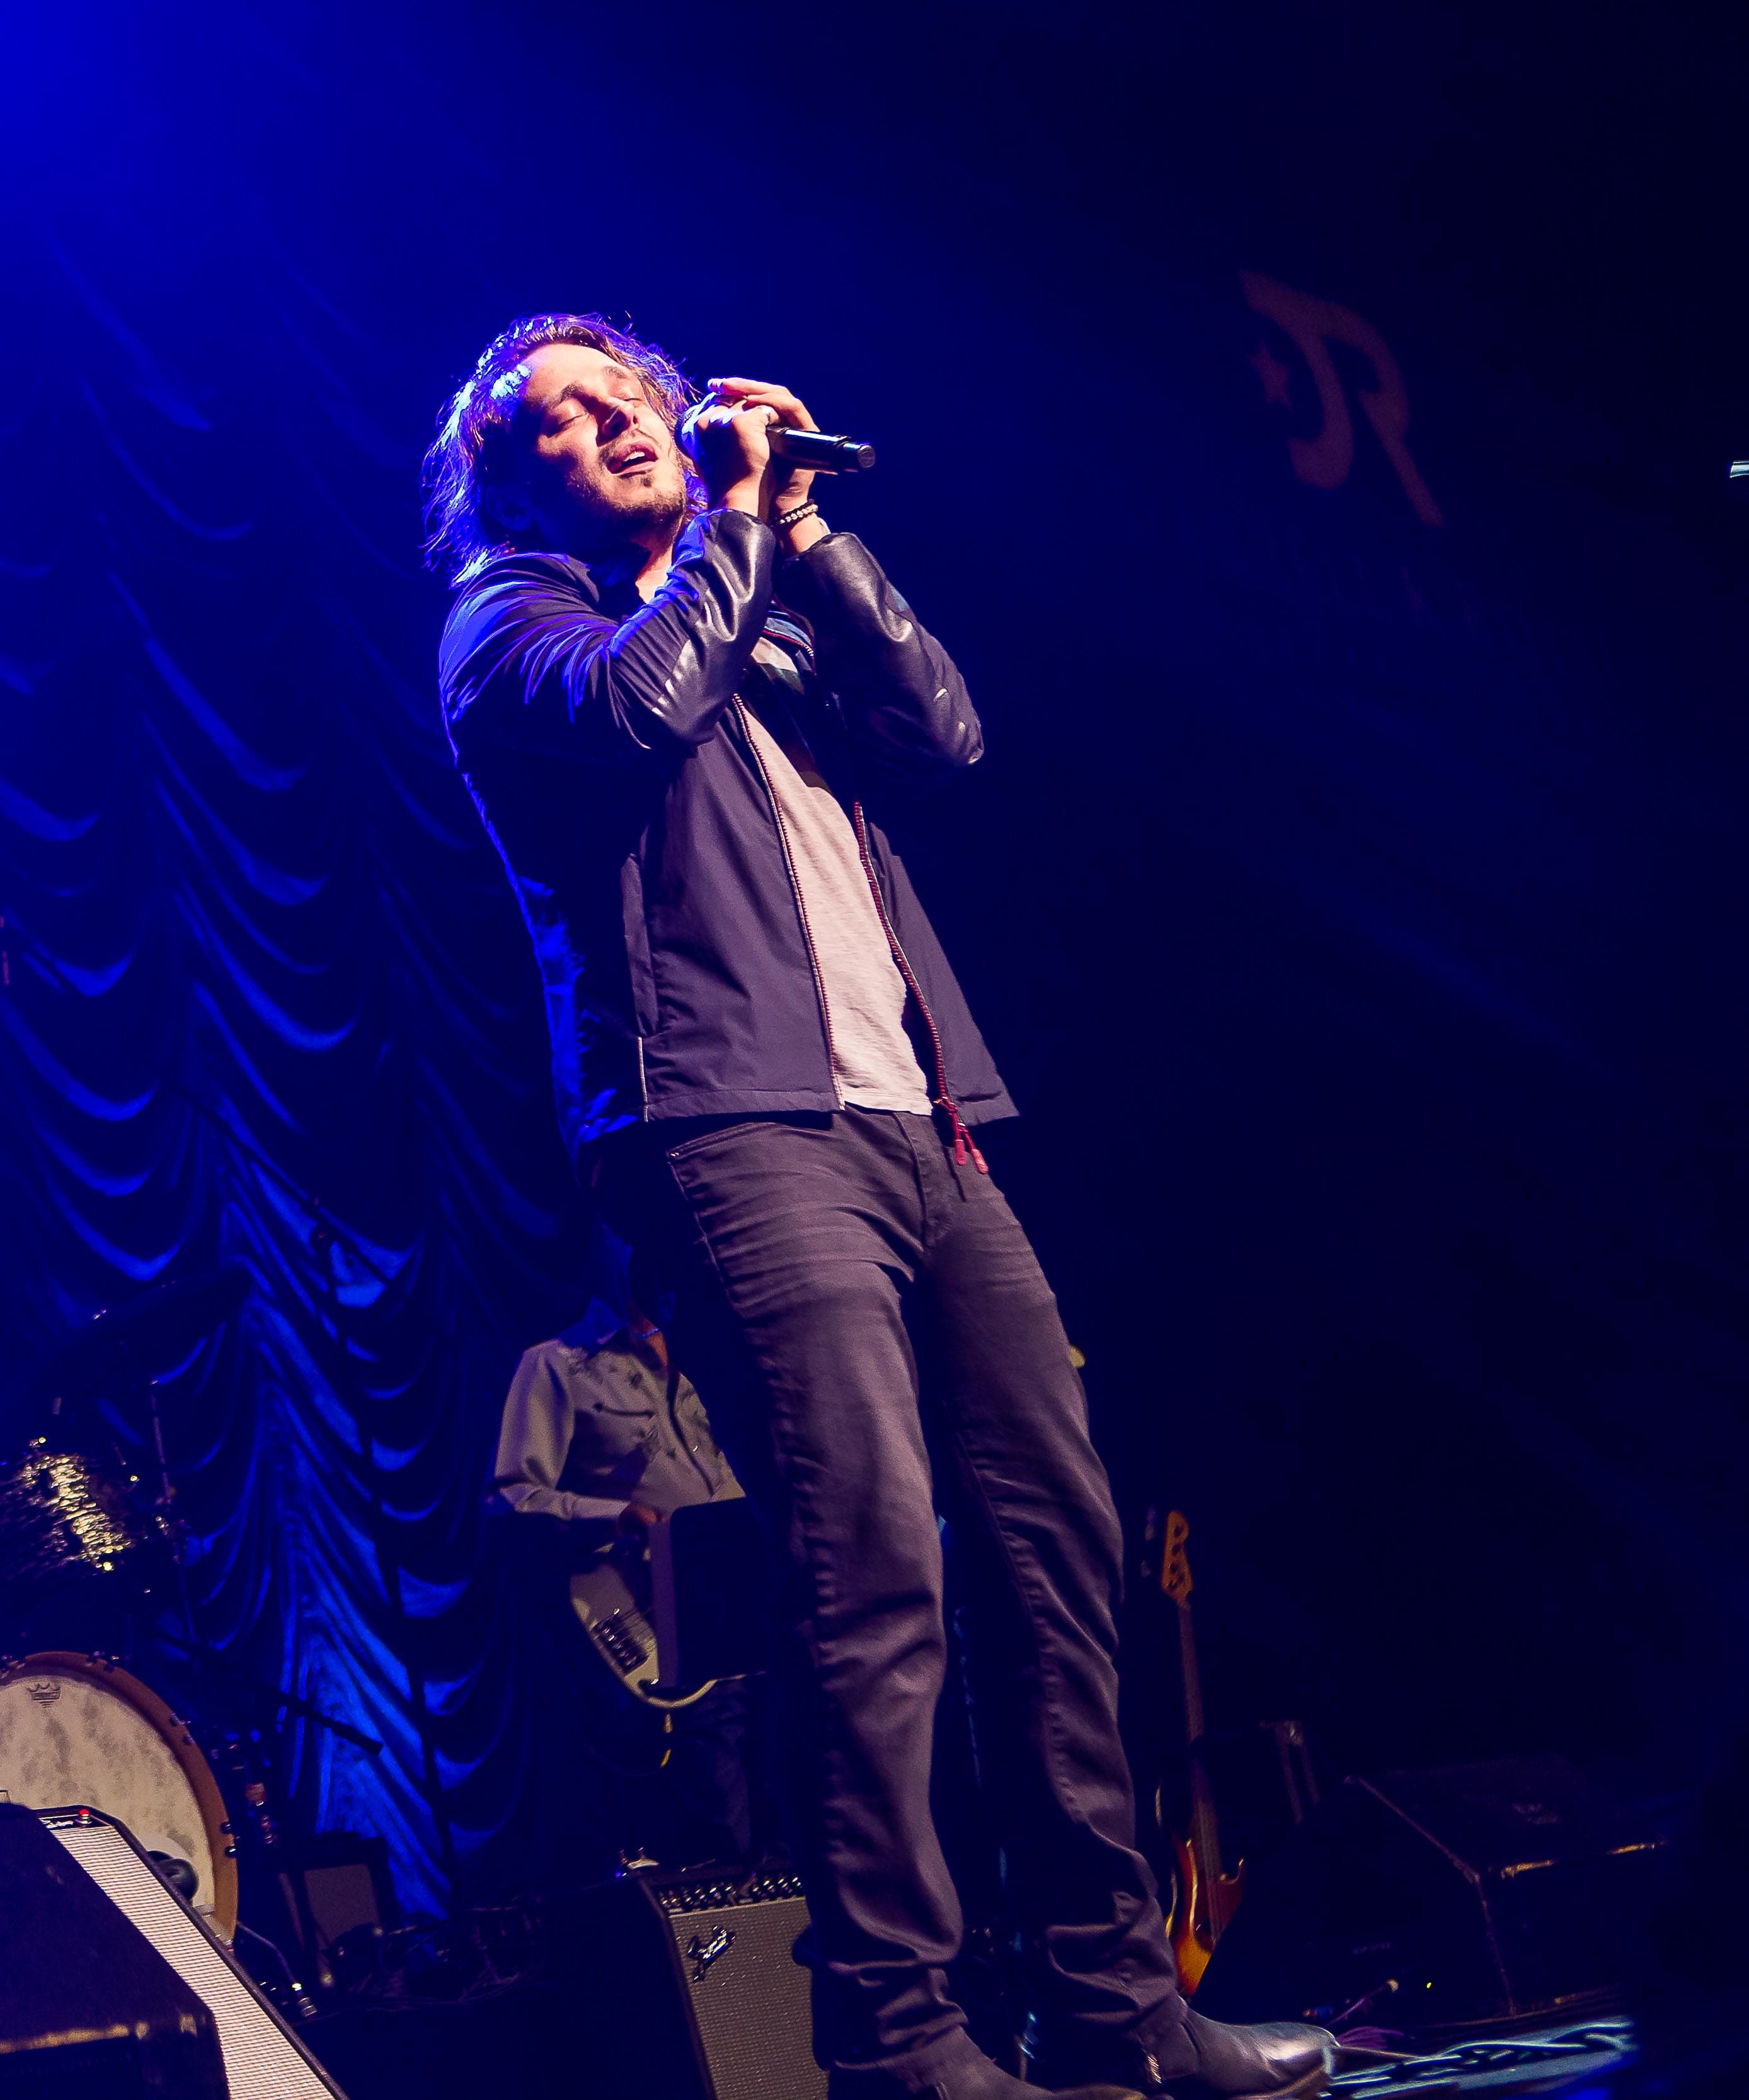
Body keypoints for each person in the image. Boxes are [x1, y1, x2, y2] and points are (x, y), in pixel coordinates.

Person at [425, 314, 1331, 2100]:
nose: (618, 423)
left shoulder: (755, 605)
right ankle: (897, 2040)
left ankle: (1113, 2004)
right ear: (510, 489)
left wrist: (808, 531)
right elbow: (635, 712)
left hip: (926, 1120)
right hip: (732, 1125)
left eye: (630, 394)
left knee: (1056, 1546)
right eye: (563, 423)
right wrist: (728, 534)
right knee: (870, 1564)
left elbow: (946, 731)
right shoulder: (512, 624)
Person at [493, 1297, 760, 1868]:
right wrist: (614, 1516)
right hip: (662, 1620)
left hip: (756, 1612)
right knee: (720, 1820)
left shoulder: (711, 1347)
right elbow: (513, 1498)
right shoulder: (557, 1363)